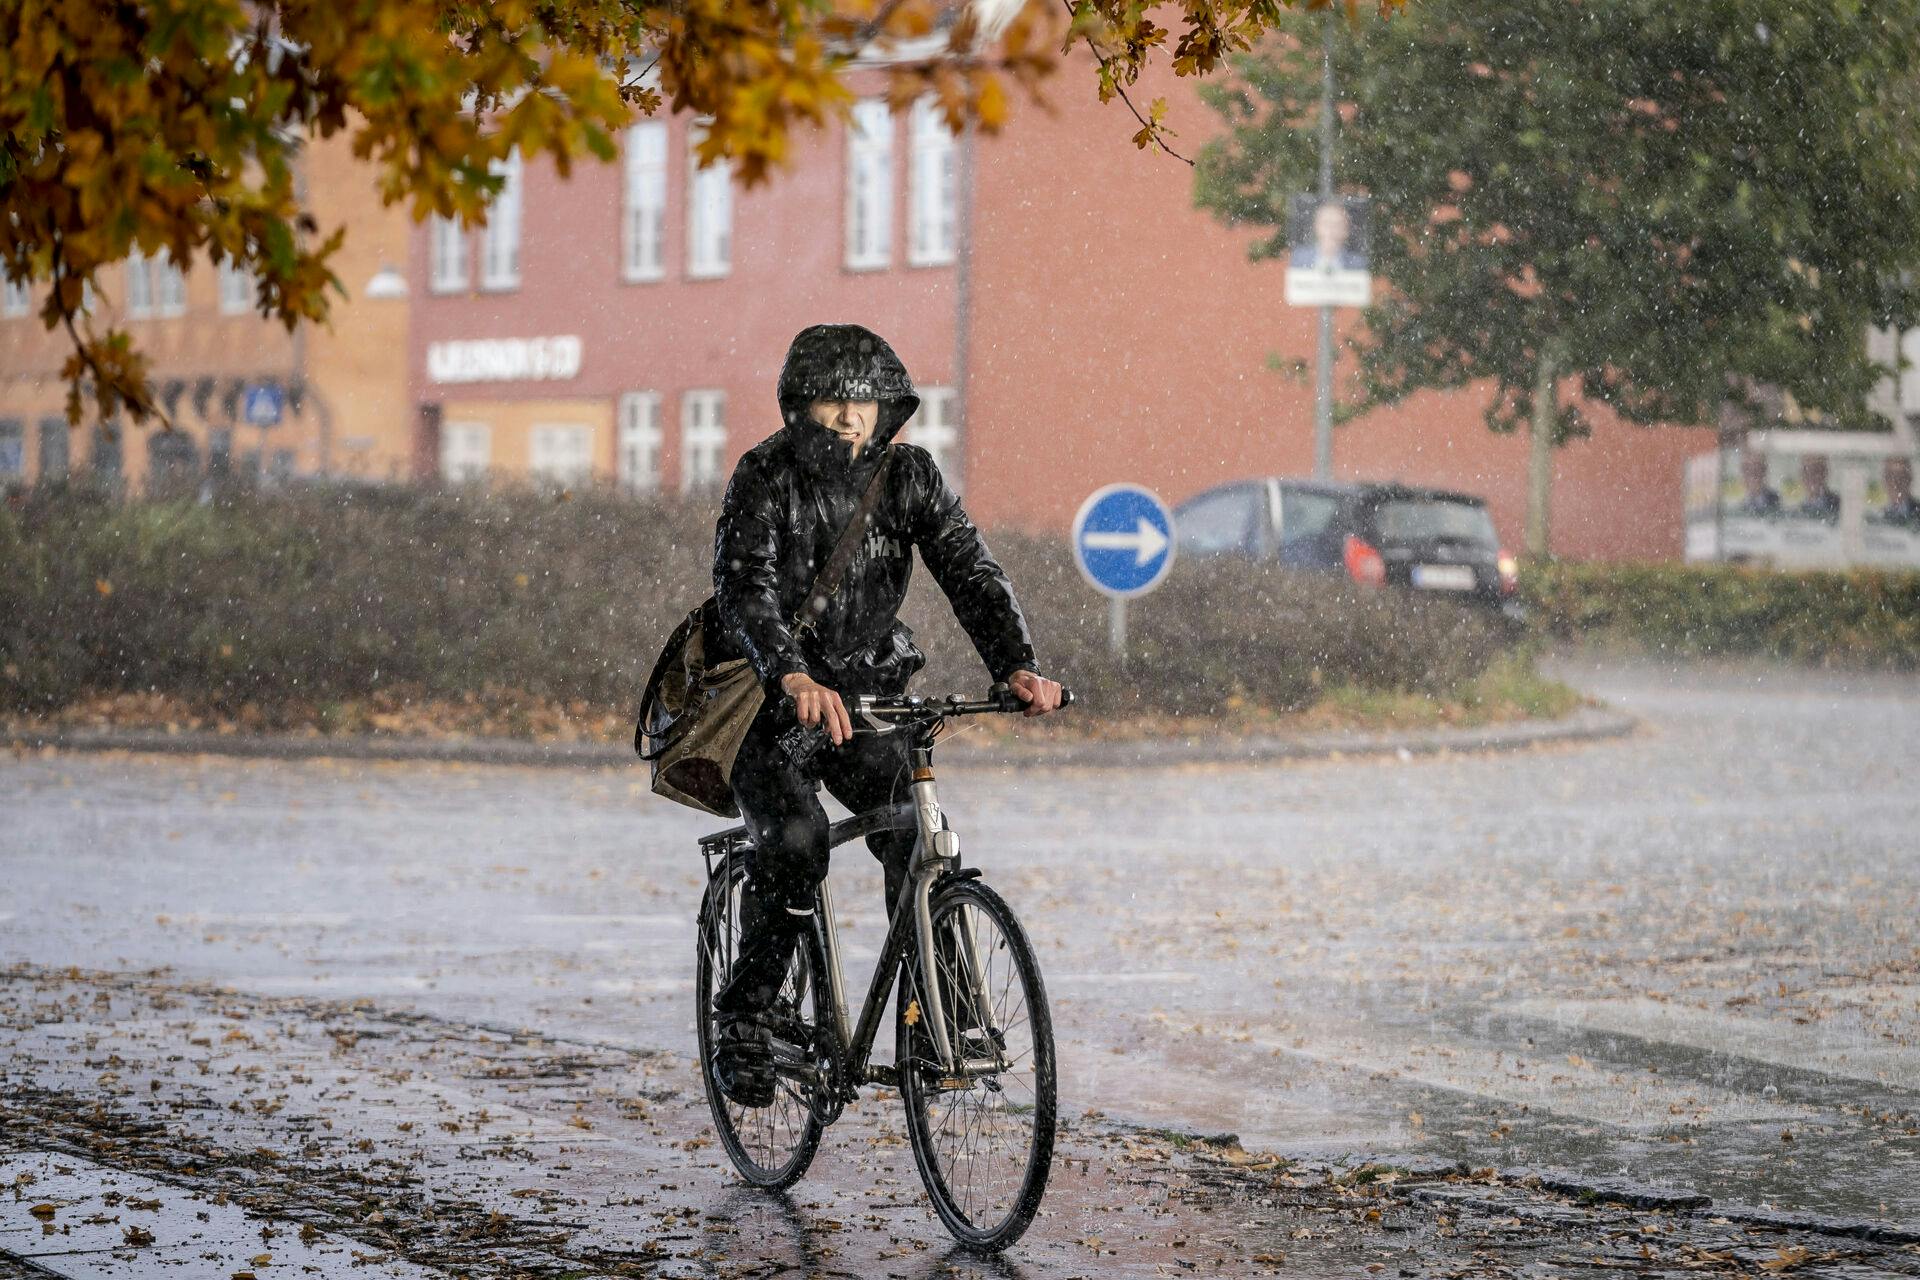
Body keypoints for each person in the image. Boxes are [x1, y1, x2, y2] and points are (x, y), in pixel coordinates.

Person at [704, 323, 1063, 1108]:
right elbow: (744, 589)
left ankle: (950, 1016)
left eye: (862, 400)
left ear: (885, 407)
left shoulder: (909, 478)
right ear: (802, 405)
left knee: (917, 834)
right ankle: (746, 1015)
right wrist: (791, 672)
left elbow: (968, 569)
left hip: (868, 694)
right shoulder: (764, 476)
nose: (848, 415)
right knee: (796, 844)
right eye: (833, 398)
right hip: (771, 705)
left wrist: (1017, 665)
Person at [1289, 201, 1366, 272]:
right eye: (1326, 223)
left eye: (1337, 224)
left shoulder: (1357, 263)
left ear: (1346, 230)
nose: (1331, 229)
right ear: (1316, 226)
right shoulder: (1299, 259)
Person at [1795, 454, 1840, 523]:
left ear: (1825, 473)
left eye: (1816, 470)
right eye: (1806, 471)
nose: (1811, 476)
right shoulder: (1797, 510)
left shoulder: (1839, 505)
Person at [1736, 448, 1781, 517]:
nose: (1752, 474)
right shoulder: (1736, 503)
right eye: (1747, 468)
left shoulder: (1777, 500)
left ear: (1764, 471)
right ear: (1742, 472)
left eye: (1757, 467)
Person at [1876, 455, 1920, 526]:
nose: (1895, 483)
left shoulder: (1917, 510)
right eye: (1890, 476)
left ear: (1909, 479)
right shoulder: (1879, 516)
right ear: (1884, 481)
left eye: (1900, 476)